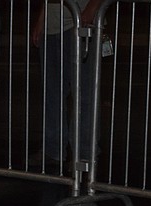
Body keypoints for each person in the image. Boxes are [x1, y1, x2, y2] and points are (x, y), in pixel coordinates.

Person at [31, 0, 106, 171]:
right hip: (53, 27)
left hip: (79, 23)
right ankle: (53, 148)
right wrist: (42, 20)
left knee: (84, 93)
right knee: (52, 93)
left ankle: (85, 151)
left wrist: (91, 10)